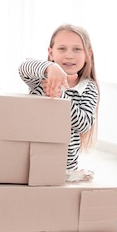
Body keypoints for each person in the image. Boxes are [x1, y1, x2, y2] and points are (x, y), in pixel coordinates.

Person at [18, 23, 99, 174]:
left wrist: (60, 95)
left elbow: (84, 124)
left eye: (77, 49)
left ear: (88, 54)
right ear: (51, 53)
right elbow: (24, 67)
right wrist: (50, 68)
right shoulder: (42, 78)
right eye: (62, 49)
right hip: (29, 160)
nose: (69, 55)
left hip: (63, 168)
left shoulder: (88, 88)